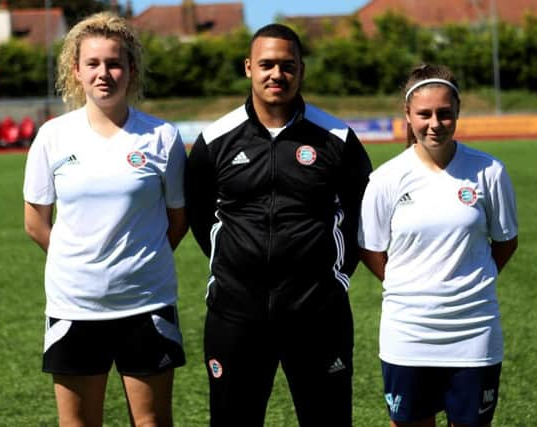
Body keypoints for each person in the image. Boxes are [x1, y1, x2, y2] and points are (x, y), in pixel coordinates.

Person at [185, 23, 372, 427]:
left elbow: (362, 218)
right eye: (267, 64)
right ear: (248, 67)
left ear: (301, 70)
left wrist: (331, 280)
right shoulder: (214, 140)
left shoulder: (337, 139)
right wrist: (238, 265)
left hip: (318, 315)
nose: (277, 74)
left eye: (287, 66)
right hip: (235, 315)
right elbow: (200, 218)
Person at [23, 12, 188, 427]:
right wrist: (78, 260)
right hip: (74, 304)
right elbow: (36, 222)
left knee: (152, 422)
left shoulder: (162, 137)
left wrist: (135, 261)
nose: (104, 73)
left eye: (114, 63)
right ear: (75, 70)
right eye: (93, 64)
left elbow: (178, 220)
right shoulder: (53, 136)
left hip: (146, 301)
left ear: (130, 69)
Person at [358, 64, 519, 427]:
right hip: (408, 334)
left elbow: (506, 242)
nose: (435, 123)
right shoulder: (385, 179)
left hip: (474, 332)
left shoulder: (489, 171)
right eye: (424, 114)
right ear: (407, 116)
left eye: (445, 113)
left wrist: (470, 283)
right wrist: (406, 286)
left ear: (457, 113)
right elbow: (370, 248)